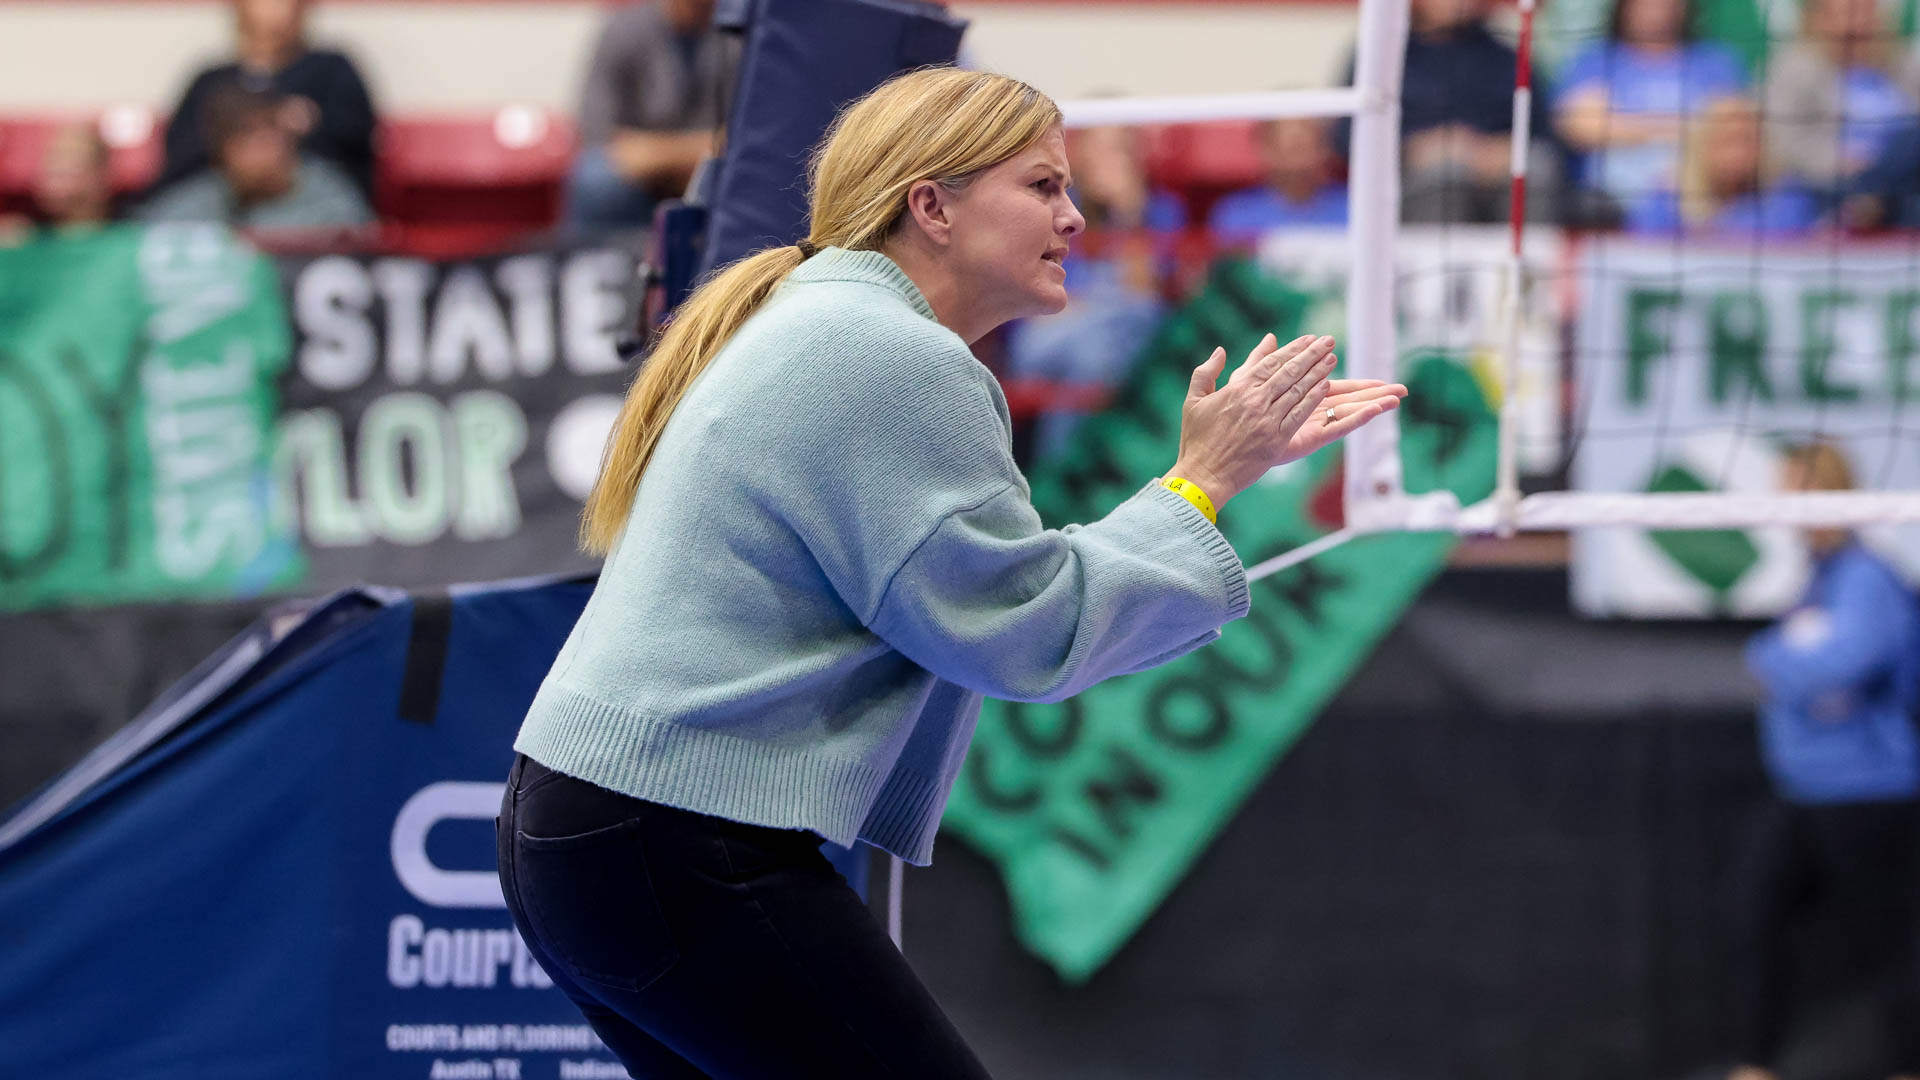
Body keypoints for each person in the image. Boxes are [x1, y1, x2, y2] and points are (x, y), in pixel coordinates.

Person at [495, 67, 1406, 1078]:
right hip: (665, 837)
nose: (1074, 217)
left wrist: (1203, 485)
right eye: (1042, 186)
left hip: (600, 831)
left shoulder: (829, 320)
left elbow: (995, 601)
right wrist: (1203, 483)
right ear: (931, 206)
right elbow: (1031, 627)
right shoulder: (891, 357)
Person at [1730, 442, 1920, 1080]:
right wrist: (1788, 658)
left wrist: (1773, 659)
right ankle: (1755, 1066)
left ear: (1830, 493)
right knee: (1754, 920)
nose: (1786, 506)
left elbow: (1843, 662)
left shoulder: (1867, 577)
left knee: (1885, 946)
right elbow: (1809, 660)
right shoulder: (1816, 578)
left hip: (1869, 792)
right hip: (1800, 790)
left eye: (1798, 491)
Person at [1337, 0, 1562, 224]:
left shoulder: (1505, 58)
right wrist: (1412, 149)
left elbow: (1544, 132)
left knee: (1533, 167)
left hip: (1494, 172)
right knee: (1445, 174)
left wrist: (1501, 149)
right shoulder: (1380, 57)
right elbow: (1347, 135)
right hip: (1412, 181)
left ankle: (1529, 248)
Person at [153, 0, 377, 201]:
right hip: (221, 199)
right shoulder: (211, 80)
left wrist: (302, 127)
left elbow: (355, 142)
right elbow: (180, 154)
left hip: (303, 198)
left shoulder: (331, 71)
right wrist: (233, 139)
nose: (276, 8)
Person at [1553, 0, 1749, 219]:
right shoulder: (1596, 60)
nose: (1655, 8)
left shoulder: (1715, 63)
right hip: (1608, 204)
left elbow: (1734, 132)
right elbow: (1580, 127)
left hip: (1701, 200)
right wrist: (1682, 127)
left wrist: (1624, 125)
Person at [566, 0, 736, 231]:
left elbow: (743, 140)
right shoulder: (624, 30)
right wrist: (698, 149)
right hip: (638, 184)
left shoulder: (739, 36)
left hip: (710, 174)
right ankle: (603, 251)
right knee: (596, 179)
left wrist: (657, 155)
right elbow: (598, 136)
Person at [138, 86, 372, 232]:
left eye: (266, 139)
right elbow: (142, 239)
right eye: (241, 142)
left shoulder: (331, 198)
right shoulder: (199, 200)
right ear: (221, 154)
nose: (257, 155)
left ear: (289, 141)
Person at [1763, 0, 1920, 198]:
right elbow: (1785, 142)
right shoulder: (1795, 68)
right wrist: (1839, 161)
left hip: (1903, 176)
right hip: (1831, 187)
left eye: (1865, 11)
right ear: (1820, 20)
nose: (1858, 23)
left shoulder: (1902, 61)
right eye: (1846, 13)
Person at [1624, 97, 1819, 236]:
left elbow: (1783, 238)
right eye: (1726, 141)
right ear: (1701, 145)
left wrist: (1706, 229)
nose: (1738, 152)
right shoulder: (1665, 197)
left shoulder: (1788, 194)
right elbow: (1643, 248)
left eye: (1747, 140)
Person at [1207, 117, 1349, 241]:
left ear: (1324, 149)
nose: (1298, 160)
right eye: (1291, 148)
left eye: (1305, 146)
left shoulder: (1352, 207)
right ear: (1264, 149)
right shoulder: (1235, 213)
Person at [0, 122, 118, 244]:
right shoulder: (23, 233)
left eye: (71, 162)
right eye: (51, 161)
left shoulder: (125, 231)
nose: (55, 170)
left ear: (101, 175)